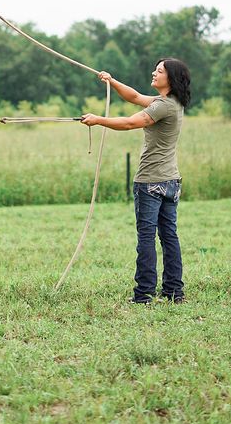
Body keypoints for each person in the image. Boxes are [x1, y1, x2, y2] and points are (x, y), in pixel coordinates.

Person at [81, 58, 191, 304]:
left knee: (147, 237)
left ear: (170, 79)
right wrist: (111, 80)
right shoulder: (169, 102)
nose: (154, 72)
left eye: (159, 71)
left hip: (151, 181)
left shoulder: (163, 106)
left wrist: (99, 120)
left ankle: (143, 295)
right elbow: (133, 97)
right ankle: (174, 292)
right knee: (169, 236)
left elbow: (131, 122)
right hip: (171, 180)